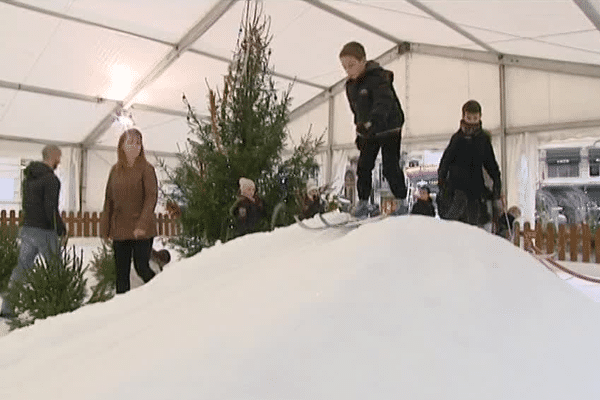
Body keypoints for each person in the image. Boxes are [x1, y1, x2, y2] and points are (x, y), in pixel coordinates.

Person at [339, 41, 407, 218]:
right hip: (369, 129)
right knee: (363, 165)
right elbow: (357, 112)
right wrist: (360, 132)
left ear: (363, 61)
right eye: (345, 67)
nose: (348, 70)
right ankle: (363, 202)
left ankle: (401, 201)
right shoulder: (350, 86)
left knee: (390, 164)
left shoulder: (378, 78)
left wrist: (374, 121)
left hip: (389, 126)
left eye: (352, 65)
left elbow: (383, 101)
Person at [1, 145, 66, 317]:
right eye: (59, 157)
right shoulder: (51, 180)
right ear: (53, 157)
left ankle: (7, 307)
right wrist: (61, 229)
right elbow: (50, 208)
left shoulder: (28, 178)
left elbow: (26, 204)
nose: (59, 161)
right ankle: (59, 306)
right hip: (44, 230)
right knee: (55, 269)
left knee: (21, 269)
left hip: (28, 228)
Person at [100, 128, 158, 295]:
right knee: (121, 274)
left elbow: (151, 198)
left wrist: (142, 224)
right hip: (120, 229)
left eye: (138, 143)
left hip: (142, 230)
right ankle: (122, 310)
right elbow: (108, 200)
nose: (135, 146)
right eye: (130, 142)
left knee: (142, 268)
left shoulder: (147, 169)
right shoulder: (115, 171)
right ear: (122, 146)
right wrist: (105, 229)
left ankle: (159, 293)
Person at [437, 100, 502, 226]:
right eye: (469, 117)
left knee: (474, 223)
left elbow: (490, 162)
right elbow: (446, 160)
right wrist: (441, 179)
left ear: (480, 117)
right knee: (454, 221)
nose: (472, 121)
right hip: (456, 187)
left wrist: (497, 180)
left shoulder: (483, 139)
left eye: (475, 118)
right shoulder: (457, 138)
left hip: (475, 188)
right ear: (463, 116)